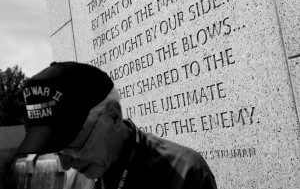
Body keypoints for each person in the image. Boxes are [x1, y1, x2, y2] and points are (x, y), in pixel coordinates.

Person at [16, 61, 217, 189]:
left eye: (72, 144)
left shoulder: (185, 173)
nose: (66, 165)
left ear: (113, 116)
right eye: (57, 150)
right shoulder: (77, 182)